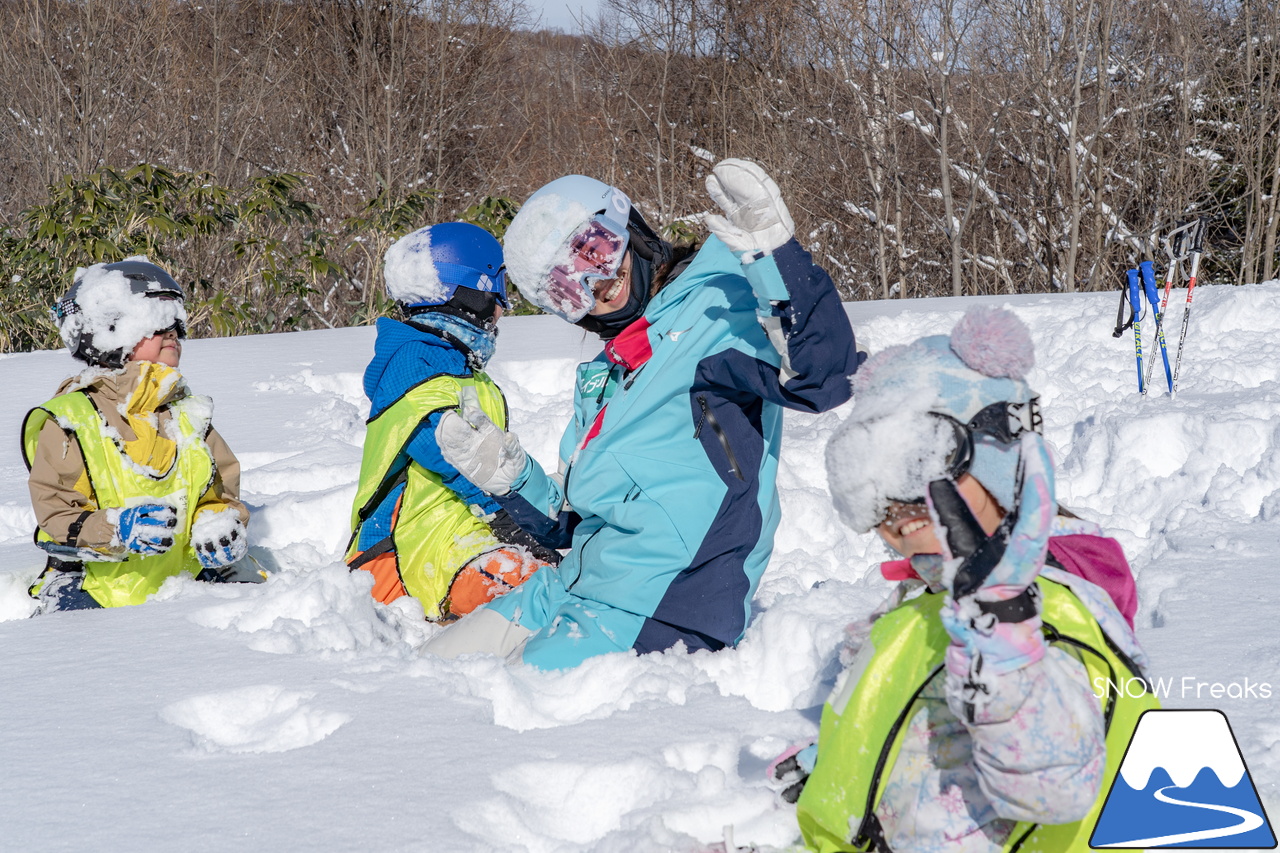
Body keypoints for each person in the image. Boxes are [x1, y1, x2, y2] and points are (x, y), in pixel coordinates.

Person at [426, 158, 862, 669]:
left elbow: (826, 377)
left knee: (505, 708)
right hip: (571, 589)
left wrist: (774, 255)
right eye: (567, 288)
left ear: (627, 226)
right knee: (430, 674)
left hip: (665, 602)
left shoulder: (717, 311)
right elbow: (571, 523)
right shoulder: (606, 376)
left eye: (594, 250)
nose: (597, 283)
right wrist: (510, 476)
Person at [783, 307, 1158, 852]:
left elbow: (1054, 785)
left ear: (999, 463)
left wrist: (1003, 630)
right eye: (869, 472)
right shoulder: (938, 594)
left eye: (921, 462)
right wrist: (846, 758)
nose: (895, 502)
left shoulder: (1041, 615)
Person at [344, 222, 558, 620]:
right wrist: (504, 519)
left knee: (572, 579)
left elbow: (495, 467)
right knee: (544, 597)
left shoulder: (463, 368)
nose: (502, 308)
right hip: (402, 557)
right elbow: (444, 451)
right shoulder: (411, 362)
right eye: (496, 292)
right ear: (467, 294)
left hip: (461, 540)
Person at [24, 258, 251, 613]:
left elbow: (219, 492)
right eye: (157, 325)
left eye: (176, 322)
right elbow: (55, 514)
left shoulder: (188, 416)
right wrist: (115, 529)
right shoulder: (72, 420)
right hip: (91, 585)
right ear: (108, 332)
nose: (172, 331)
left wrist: (218, 523)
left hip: (183, 582)